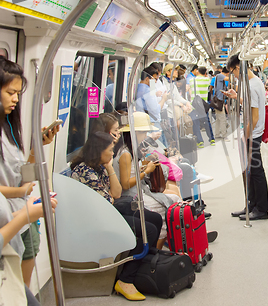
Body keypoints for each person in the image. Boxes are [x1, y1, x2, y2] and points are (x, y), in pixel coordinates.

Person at [71, 131, 161, 301]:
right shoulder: (85, 171)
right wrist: (110, 185)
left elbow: (116, 193)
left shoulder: (100, 167)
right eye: (110, 150)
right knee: (147, 230)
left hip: (108, 211)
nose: (113, 153)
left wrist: (110, 167)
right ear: (99, 150)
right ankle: (126, 280)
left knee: (155, 219)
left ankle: (143, 269)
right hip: (96, 220)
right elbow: (109, 198)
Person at [0, 57, 60, 287]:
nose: (15, 99)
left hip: (23, 215)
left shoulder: (7, 128)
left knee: (22, 289)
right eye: (10, 92)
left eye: (17, 93)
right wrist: (18, 192)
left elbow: (20, 173)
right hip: (12, 217)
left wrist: (36, 147)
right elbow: (16, 186)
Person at [114, 112, 182, 249]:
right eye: (143, 133)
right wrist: (146, 171)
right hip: (131, 197)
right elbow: (126, 184)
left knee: (174, 198)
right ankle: (155, 250)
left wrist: (144, 166)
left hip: (138, 192)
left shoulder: (130, 150)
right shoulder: (126, 154)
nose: (145, 136)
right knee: (166, 209)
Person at [225, 53, 268, 220]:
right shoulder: (254, 81)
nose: (234, 76)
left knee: (256, 172)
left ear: (239, 68)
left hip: (253, 135)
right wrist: (237, 98)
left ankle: (261, 210)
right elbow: (253, 104)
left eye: (233, 72)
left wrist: (246, 137)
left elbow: (255, 116)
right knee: (250, 172)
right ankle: (251, 205)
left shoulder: (252, 85)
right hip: (252, 133)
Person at [213, 67, 230, 140]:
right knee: (222, 119)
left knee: (218, 119)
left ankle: (217, 134)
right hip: (219, 101)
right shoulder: (220, 76)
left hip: (219, 101)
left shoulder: (219, 77)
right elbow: (228, 79)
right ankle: (224, 135)